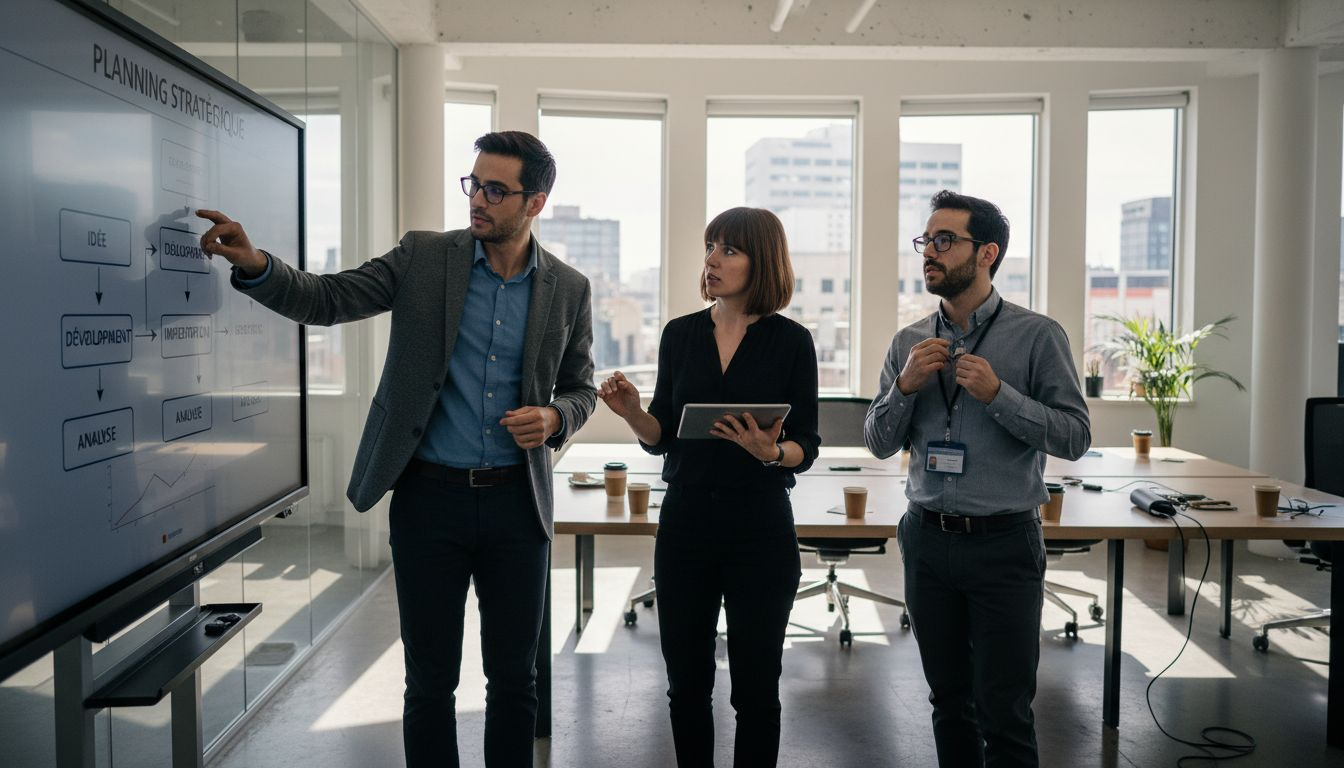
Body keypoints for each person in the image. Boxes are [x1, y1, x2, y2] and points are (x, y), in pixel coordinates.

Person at [195, 131, 596, 768]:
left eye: (496, 190)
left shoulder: (568, 288)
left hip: (518, 507)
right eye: (474, 184)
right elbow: (328, 298)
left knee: (515, 681)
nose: (478, 199)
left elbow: (581, 388)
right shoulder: (424, 257)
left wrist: (554, 416)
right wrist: (256, 264)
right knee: (430, 683)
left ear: (535, 203)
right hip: (429, 501)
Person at [865, 190, 1090, 768]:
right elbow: (878, 441)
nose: (928, 252)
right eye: (926, 240)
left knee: (1005, 711)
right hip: (926, 540)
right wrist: (904, 387)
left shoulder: (1038, 336)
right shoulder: (908, 343)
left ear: (987, 253)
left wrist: (999, 395)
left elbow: (1074, 437)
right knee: (949, 704)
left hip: (1004, 545)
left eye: (945, 240)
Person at [597, 207, 818, 767]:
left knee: (757, 689)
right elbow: (662, 435)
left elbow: (807, 444)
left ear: (761, 261)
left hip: (760, 525)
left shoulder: (792, 342)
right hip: (687, 523)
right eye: (710, 247)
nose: (712, 260)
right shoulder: (680, 334)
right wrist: (632, 414)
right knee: (686, 684)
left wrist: (772, 453)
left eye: (729, 250)